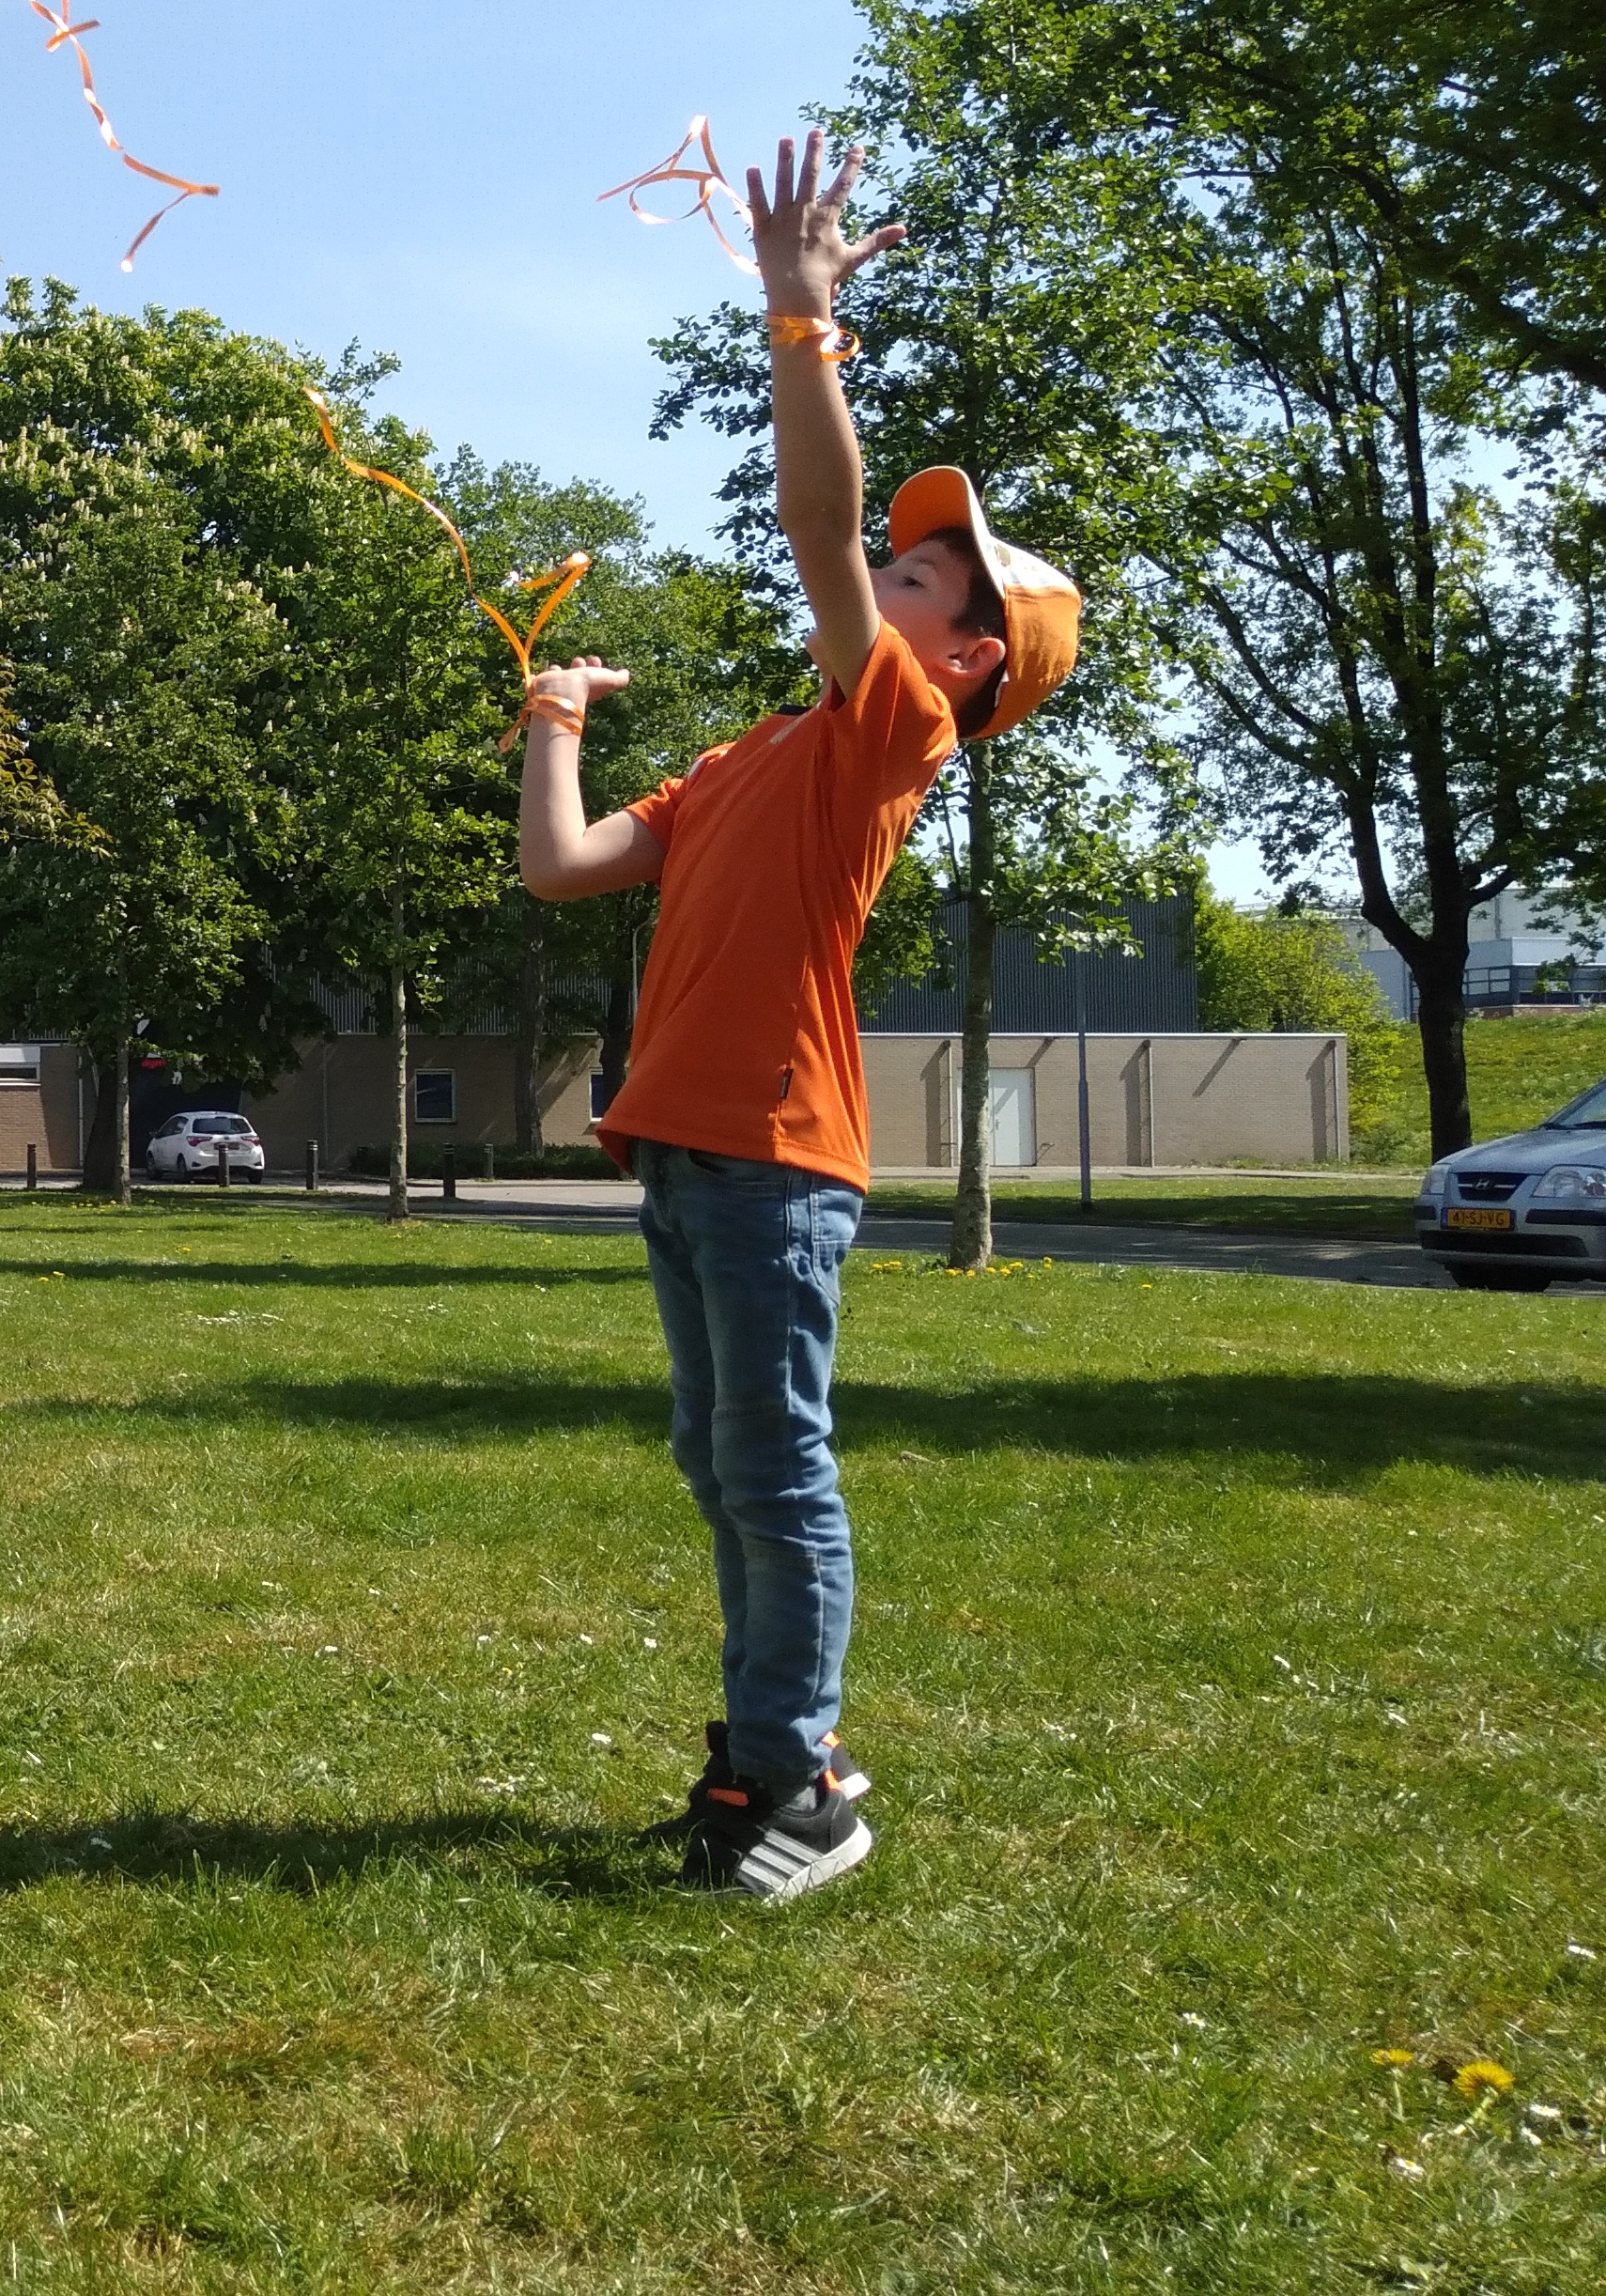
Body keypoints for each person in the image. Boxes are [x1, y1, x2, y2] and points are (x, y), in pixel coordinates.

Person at [517, 135, 1076, 1900]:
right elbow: (568, 867)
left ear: (973, 658)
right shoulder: (758, 750)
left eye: (940, 574)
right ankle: (780, 1751)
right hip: (688, 1147)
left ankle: (797, 1789)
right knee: (722, 1457)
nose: (904, 570)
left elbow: (814, 523)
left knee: (775, 1466)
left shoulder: (882, 733)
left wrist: (800, 323)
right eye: (914, 561)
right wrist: (556, 715)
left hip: (775, 1154)